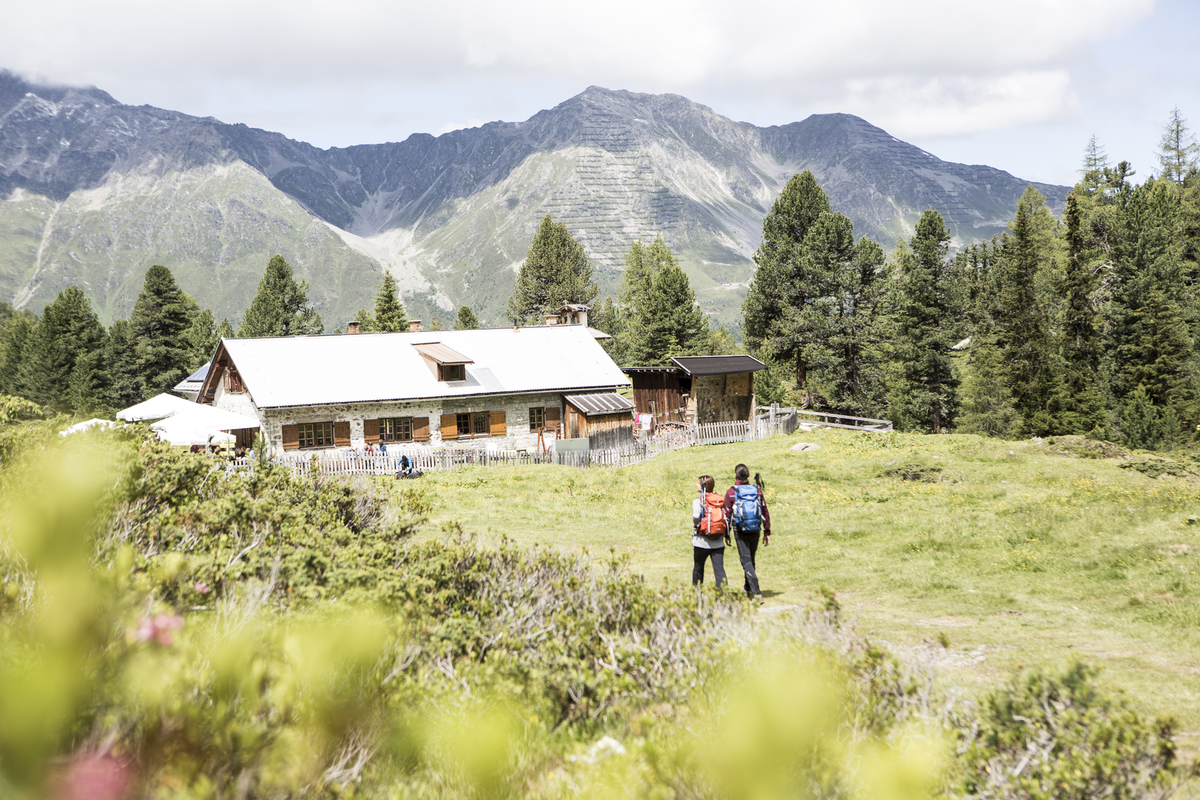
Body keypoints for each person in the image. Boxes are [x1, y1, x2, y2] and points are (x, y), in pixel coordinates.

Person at [724, 463, 771, 603]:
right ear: (748, 475)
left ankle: (757, 593)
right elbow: (764, 511)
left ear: (735, 475)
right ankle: (747, 588)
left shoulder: (731, 492)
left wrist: (726, 534)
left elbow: (727, 515)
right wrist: (767, 531)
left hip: (740, 530)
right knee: (750, 559)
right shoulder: (757, 490)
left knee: (746, 561)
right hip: (756, 529)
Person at [691, 475, 728, 587]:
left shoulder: (698, 501)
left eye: (698, 483)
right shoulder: (719, 500)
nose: (696, 484)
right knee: (719, 569)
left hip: (701, 541)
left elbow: (696, 516)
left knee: (698, 567)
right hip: (718, 542)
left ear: (703, 486)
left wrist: (696, 524)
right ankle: (723, 593)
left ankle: (697, 592)